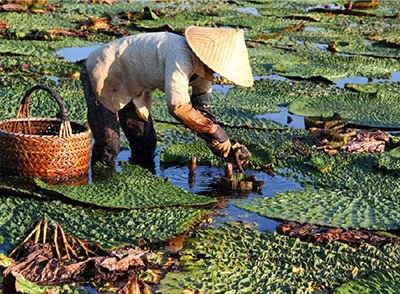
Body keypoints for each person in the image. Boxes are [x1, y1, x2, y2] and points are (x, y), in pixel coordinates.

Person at [80, 26, 253, 171]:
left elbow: (202, 112)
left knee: (145, 143)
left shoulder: (206, 72)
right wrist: (216, 132)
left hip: (136, 84)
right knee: (109, 144)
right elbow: (178, 107)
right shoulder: (181, 55)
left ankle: (140, 187)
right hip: (107, 71)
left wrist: (224, 146)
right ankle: (101, 194)